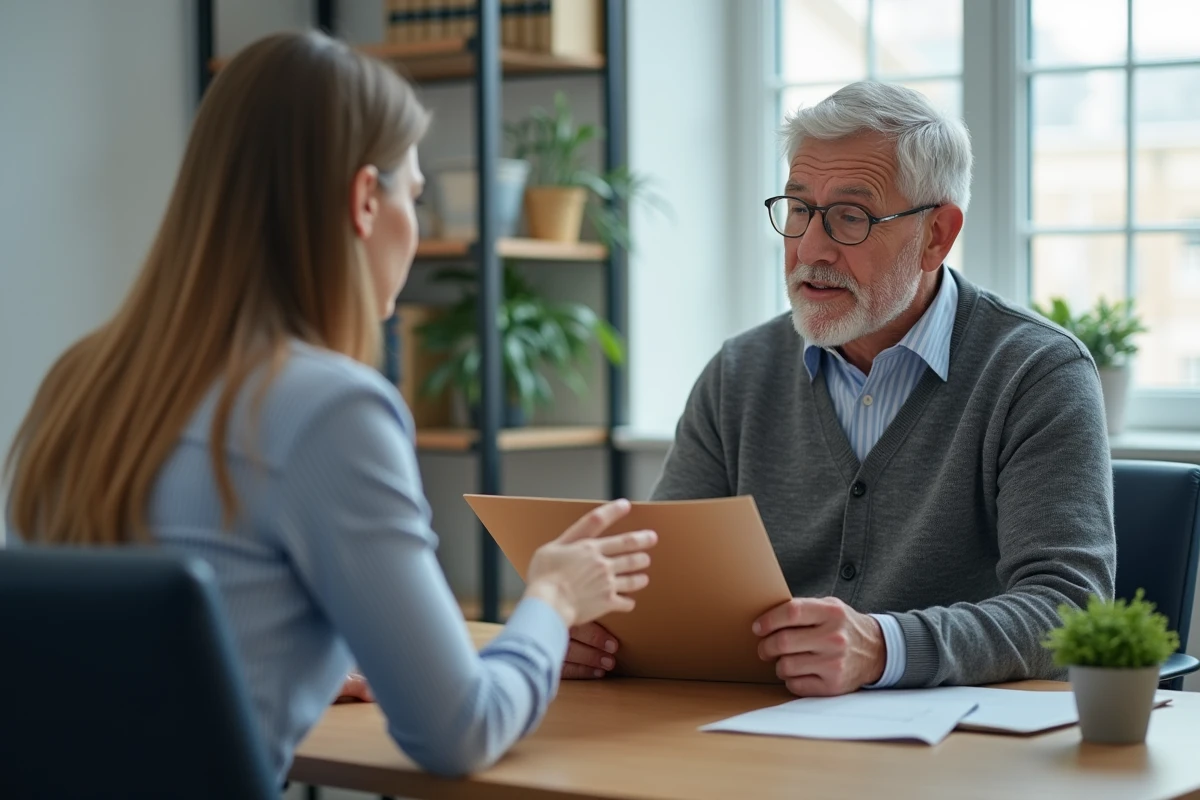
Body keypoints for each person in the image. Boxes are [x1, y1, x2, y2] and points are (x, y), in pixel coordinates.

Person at [2, 31, 656, 781]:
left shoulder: (80, 383)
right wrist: (551, 595)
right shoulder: (330, 412)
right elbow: (461, 731)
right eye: (414, 196)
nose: (415, 229)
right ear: (363, 201)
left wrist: (297, 664)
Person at [563, 81, 1116, 695]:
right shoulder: (739, 373)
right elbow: (665, 578)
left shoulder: (1035, 372)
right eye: (798, 210)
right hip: (757, 733)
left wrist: (884, 649)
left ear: (937, 234)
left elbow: (1071, 607)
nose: (810, 248)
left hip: (957, 753)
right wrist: (602, 629)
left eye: (850, 217)